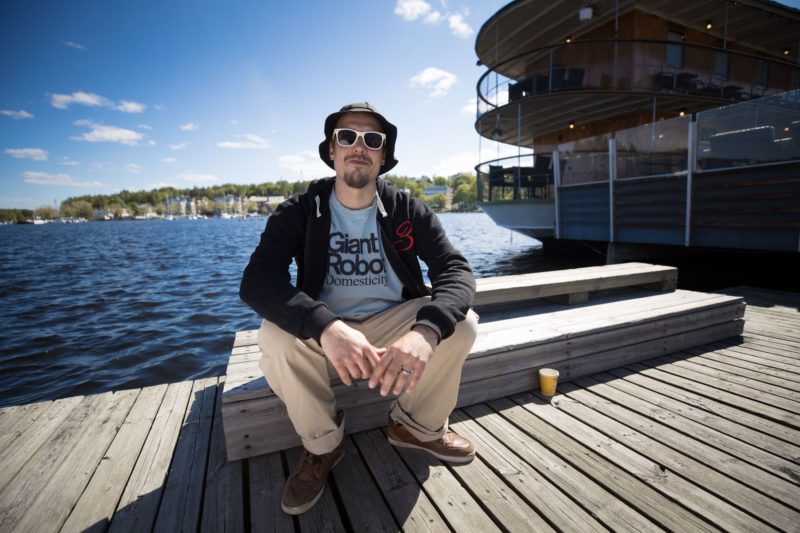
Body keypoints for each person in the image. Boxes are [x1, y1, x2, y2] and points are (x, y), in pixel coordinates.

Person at [239, 102, 479, 515]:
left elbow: (455, 270)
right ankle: (323, 446)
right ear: (332, 149)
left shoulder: (407, 209)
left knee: (463, 325)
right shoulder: (301, 210)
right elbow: (258, 280)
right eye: (347, 136)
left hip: (392, 326)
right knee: (274, 335)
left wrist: (424, 332)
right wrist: (326, 326)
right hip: (329, 333)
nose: (359, 146)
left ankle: (415, 427)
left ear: (383, 156)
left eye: (372, 139)